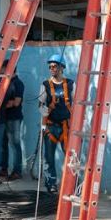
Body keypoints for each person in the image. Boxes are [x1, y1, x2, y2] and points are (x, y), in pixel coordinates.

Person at [39, 53, 73, 193]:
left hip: (66, 126)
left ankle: (72, 184)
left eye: (54, 66)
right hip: (51, 127)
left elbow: (76, 104)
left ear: (62, 67)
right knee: (49, 158)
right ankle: (51, 183)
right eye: (50, 66)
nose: (52, 68)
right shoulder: (45, 85)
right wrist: (47, 110)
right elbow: (40, 105)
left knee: (71, 158)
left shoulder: (71, 84)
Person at [4, 71, 25, 181]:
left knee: (15, 144)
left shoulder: (17, 83)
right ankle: (4, 170)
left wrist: (2, 104)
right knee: (6, 144)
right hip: (5, 118)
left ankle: (17, 171)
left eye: (4, 69)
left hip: (14, 118)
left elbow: (16, 102)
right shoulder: (6, 82)